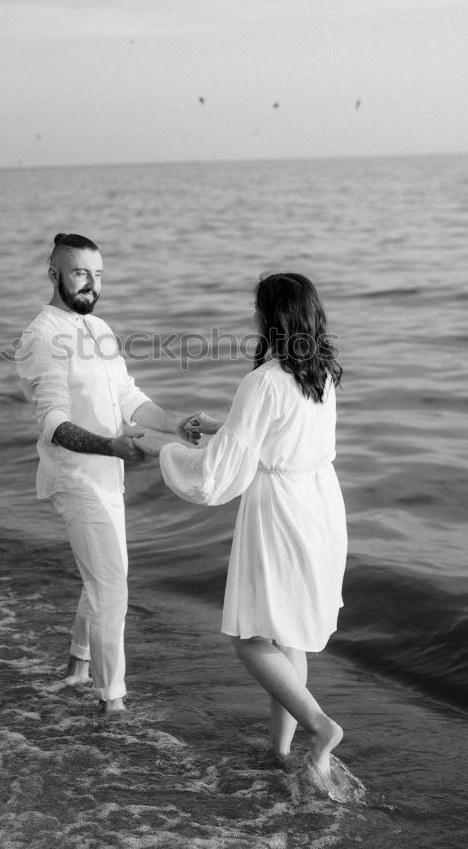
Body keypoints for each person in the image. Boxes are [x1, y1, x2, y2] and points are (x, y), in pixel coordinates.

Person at [139, 272, 347, 779]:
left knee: (251, 637)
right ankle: (279, 752)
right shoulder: (320, 375)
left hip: (279, 514)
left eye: (257, 309)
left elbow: (218, 476)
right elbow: (275, 435)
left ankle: (319, 725)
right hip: (319, 508)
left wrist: (158, 448)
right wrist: (220, 426)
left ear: (269, 318)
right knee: (287, 633)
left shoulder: (263, 381)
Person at [15, 232, 200, 714]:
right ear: (53, 273)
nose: (90, 284)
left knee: (103, 579)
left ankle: (77, 668)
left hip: (106, 478)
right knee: (111, 586)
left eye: (97, 274)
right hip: (75, 478)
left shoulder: (97, 329)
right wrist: (111, 446)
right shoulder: (41, 337)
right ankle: (111, 702)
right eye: (80, 273)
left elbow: (128, 398)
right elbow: (54, 423)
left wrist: (176, 423)